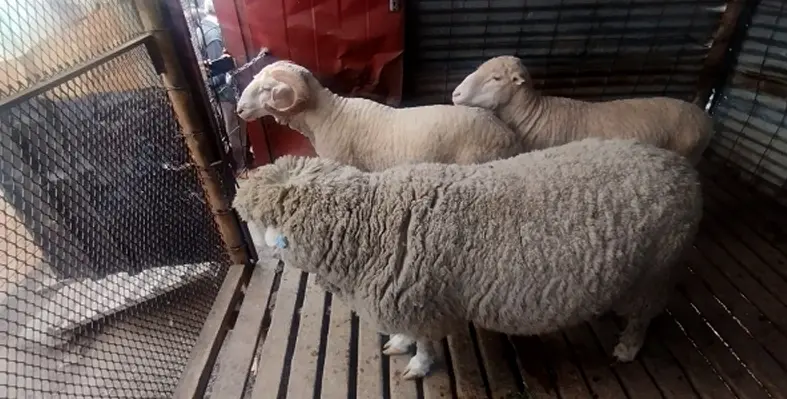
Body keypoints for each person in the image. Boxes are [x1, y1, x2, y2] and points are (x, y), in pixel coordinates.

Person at [189, 2, 249, 175]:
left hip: (226, 92)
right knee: (236, 129)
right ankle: (243, 161)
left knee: (234, 131)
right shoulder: (208, 30)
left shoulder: (210, 36)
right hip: (227, 89)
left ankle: (241, 166)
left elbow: (219, 72)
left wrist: (204, 83)